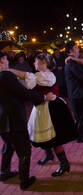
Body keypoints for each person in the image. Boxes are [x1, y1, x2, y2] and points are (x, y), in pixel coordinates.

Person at [3, 53, 78, 177]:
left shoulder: (48, 76)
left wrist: (7, 69)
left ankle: (64, 163)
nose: (34, 63)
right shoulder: (40, 76)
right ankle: (49, 155)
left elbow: (25, 75)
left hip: (51, 109)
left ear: (43, 62)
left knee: (53, 138)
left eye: (36, 61)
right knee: (44, 134)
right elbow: (28, 78)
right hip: (42, 108)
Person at [0, 52, 56, 190]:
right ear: (1, 61)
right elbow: (23, 92)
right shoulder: (6, 75)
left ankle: (4, 172)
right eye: (6, 59)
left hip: (2, 118)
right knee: (24, 151)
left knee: (7, 147)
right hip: (13, 119)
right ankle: (24, 181)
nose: (8, 61)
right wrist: (44, 97)